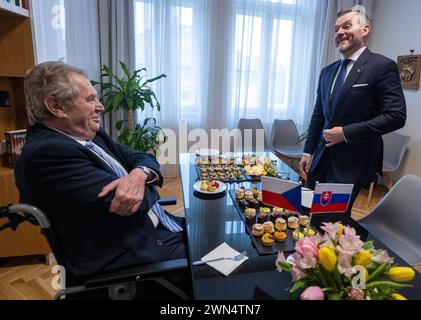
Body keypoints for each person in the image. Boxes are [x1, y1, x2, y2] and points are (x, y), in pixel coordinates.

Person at [15, 62, 188, 283]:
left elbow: (144, 158)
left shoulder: (88, 134)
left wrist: (139, 174)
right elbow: (140, 202)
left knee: (227, 238)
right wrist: (144, 183)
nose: (100, 106)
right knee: (235, 261)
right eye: (90, 99)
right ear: (56, 105)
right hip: (135, 259)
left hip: (155, 231)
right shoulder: (47, 155)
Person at [300, 8, 406, 213]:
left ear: (365, 29)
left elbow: (396, 115)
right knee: (308, 213)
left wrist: (346, 133)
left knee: (330, 220)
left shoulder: (382, 66)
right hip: (320, 159)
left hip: (351, 163)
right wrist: (308, 150)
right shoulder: (327, 72)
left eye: (346, 26)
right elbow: (318, 115)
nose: (339, 32)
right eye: (336, 28)